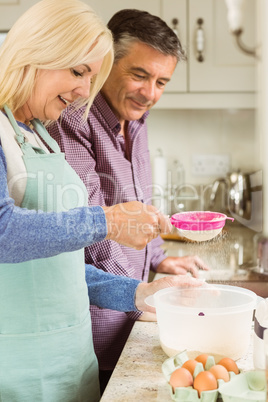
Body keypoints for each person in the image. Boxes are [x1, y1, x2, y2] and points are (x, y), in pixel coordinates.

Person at [0, 1, 205, 401]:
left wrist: (139, 293)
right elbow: (3, 232)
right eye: (78, 71)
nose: (83, 90)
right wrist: (108, 222)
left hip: (70, 363)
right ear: (35, 53)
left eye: (90, 76)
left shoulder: (39, 134)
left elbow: (62, 267)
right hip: (18, 369)